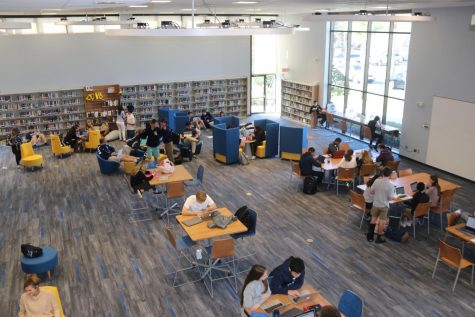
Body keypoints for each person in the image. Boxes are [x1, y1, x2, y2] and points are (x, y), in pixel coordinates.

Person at [367, 167, 395, 243]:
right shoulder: (391, 186)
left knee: (373, 219)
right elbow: (389, 198)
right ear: (390, 175)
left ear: (382, 173)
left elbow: (372, 191)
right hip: (384, 206)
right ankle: (378, 238)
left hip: (376, 204)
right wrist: (393, 197)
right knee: (382, 222)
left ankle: (370, 237)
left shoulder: (376, 181)